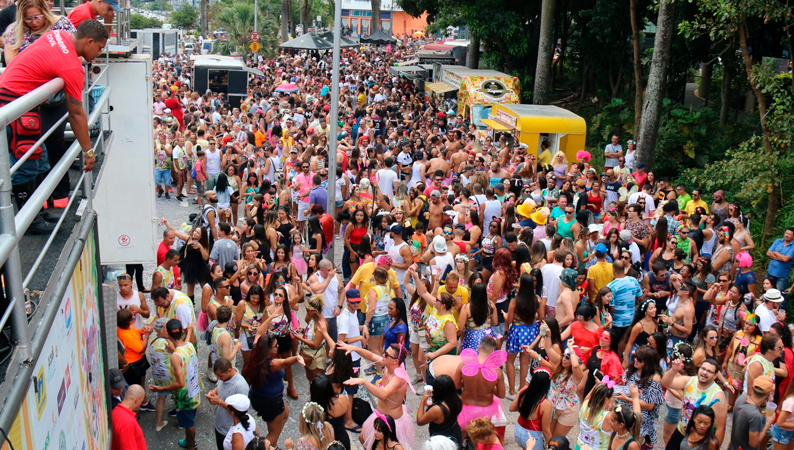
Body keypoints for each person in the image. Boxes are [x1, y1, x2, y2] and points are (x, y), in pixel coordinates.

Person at [0, 20, 107, 233]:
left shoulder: (58, 36)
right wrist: (88, 151)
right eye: (100, 47)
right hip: (13, 105)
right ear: (89, 41)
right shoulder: (71, 66)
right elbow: (76, 114)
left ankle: (34, 213)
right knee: (25, 164)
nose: (100, 52)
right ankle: (27, 222)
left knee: (39, 161)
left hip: (14, 100)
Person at [148, 319, 202, 450]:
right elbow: (187, 342)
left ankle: (191, 446)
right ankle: (189, 440)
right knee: (189, 420)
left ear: (169, 335)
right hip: (194, 391)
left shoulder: (175, 356)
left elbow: (179, 383)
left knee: (188, 423)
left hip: (185, 397)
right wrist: (189, 330)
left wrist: (162, 388)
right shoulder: (188, 346)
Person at [245, 333, 306, 446]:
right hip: (271, 401)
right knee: (273, 433)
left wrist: (270, 318)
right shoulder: (271, 364)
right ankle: (268, 447)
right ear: (267, 349)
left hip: (260, 396)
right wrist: (297, 357)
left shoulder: (256, 353)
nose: (278, 347)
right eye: (275, 346)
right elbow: (285, 362)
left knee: (285, 413)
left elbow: (259, 332)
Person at [662, 357, 728, 449]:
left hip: (701, 438)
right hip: (682, 430)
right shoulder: (689, 381)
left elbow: (720, 428)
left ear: (715, 376)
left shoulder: (717, 396)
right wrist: (673, 370)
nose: (704, 372)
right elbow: (666, 383)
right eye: (703, 368)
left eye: (709, 371)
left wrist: (714, 447)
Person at [455, 336, 507, 441]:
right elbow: (501, 394)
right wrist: (490, 387)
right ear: (493, 351)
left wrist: (466, 383)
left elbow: (456, 385)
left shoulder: (464, 365)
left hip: (466, 407)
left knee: (462, 436)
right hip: (485, 410)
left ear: (478, 348)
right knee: (480, 438)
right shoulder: (497, 372)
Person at [206, 357, 250, 450]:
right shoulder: (223, 377)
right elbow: (220, 386)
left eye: (220, 376)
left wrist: (219, 402)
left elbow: (240, 411)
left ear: (229, 370)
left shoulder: (241, 386)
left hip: (229, 429)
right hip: (219, 424)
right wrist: (214, 391)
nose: (218, 379)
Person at [509, 367, 553, 450]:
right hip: (533, 437)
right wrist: (552, 445)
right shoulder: (546, 404)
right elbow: (546, 430)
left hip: (518, 430)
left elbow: (511, 408)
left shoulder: (524, 390)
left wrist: (526, 408)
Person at [729, 376, 776, 450]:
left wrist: (764, 402)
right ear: (770, 393)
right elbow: (753, 444)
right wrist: (768, 424)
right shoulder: (755, 416)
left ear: (753, 387)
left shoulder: (742, 398)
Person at [416, 374, 463, 446]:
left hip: (442, 439)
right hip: (455, 431)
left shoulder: (437, 409)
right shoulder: (458, 399)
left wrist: (423, 400)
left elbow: (420, 421)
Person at [607, 260, 645, 345]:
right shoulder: (633, 281)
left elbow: (611, 307)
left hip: (617, 322)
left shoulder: (611, 286)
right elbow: (640, 297)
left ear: (614, 270)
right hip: (631, 320)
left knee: (616, 345)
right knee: (626, 343)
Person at [111, 384, 147, 450]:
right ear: (137, 400)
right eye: (141, 402)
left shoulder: (114, 412)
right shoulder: (127, 423)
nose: (140, 404)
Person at [767, 228, 794, 301]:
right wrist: (780, 257)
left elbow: (786, 259)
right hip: (770, 272)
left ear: (793, 236)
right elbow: (768, 253)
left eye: (789, 234)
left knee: (780, 296)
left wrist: (776, 253)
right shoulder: (778, 241)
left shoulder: (793, 246)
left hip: (781, 275)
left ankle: (780, 311)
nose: (787, 235)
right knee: (767, 292)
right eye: (786, 233)